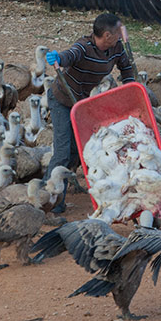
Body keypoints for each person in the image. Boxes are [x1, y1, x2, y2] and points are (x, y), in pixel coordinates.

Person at [45, 13, 135, 212]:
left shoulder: (116, 48)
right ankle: (47, 201)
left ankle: (57, 195)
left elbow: (126, 68)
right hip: (63, 99)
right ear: (107, 35)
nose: (121, 34)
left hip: (84, 102)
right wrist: (59, 57)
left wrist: (131, 89)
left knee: (77, 152)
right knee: (62, 152)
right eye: (117, 32)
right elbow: (70, 55)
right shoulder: (84, 47)